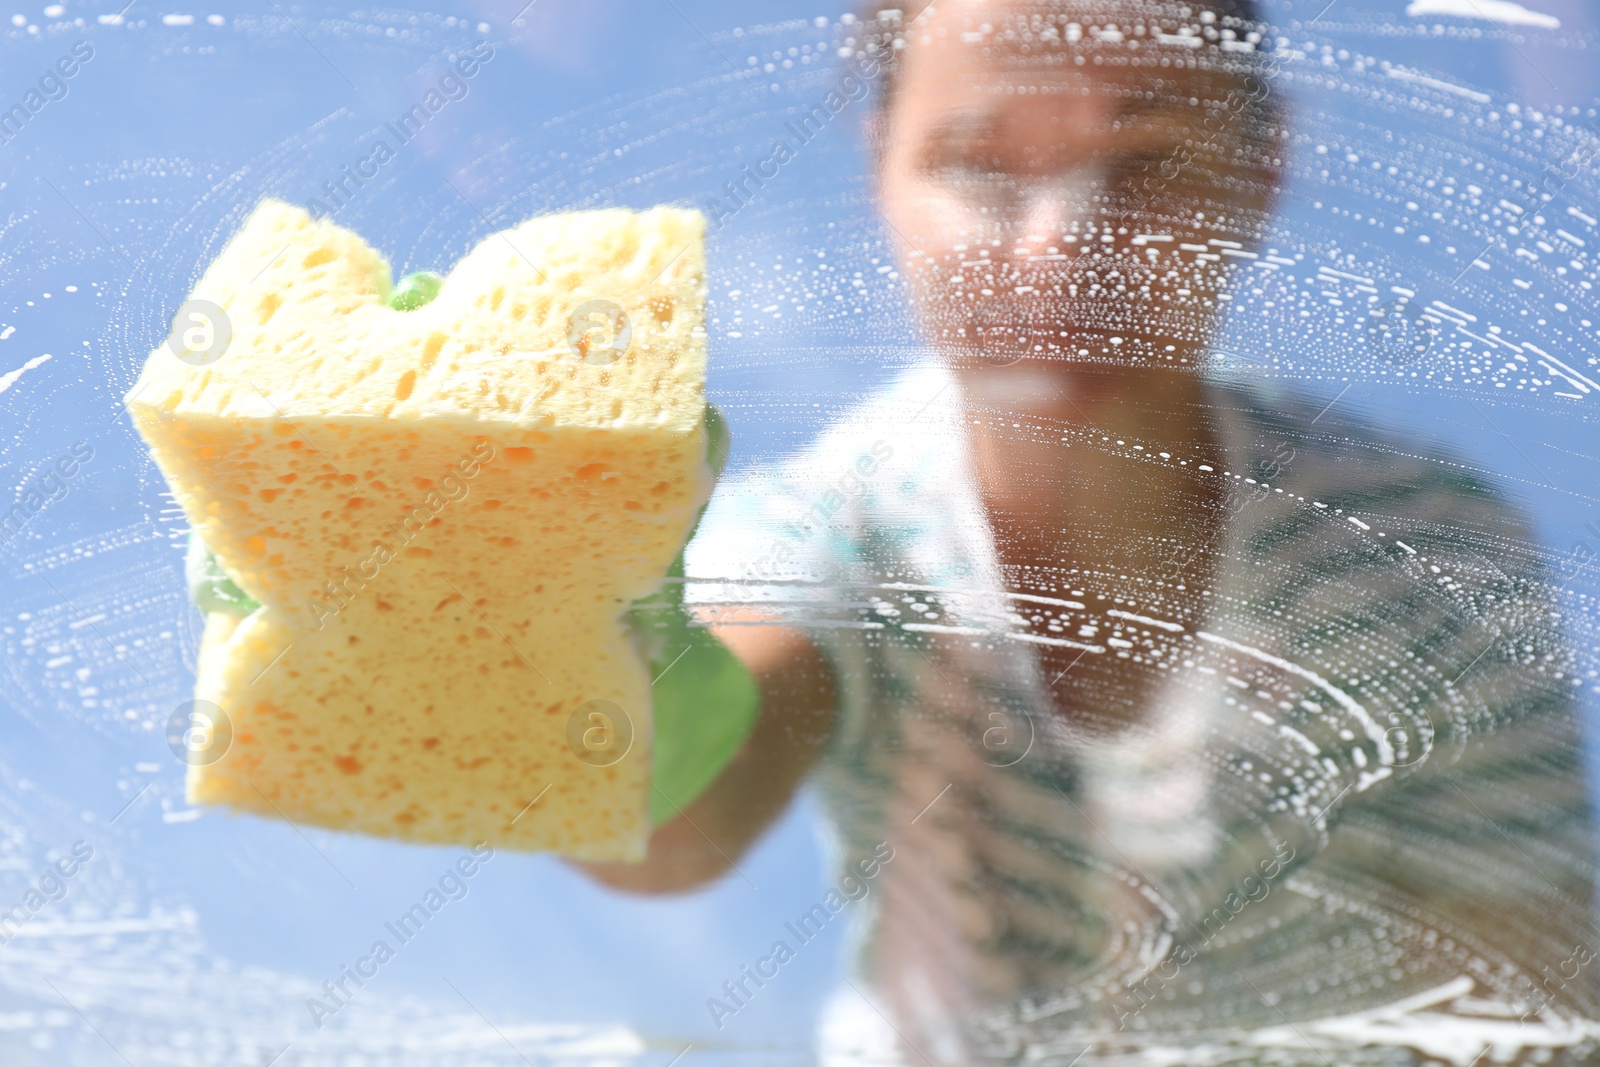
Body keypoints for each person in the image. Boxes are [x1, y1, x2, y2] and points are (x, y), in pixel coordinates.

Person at [582, 1, 1600, 1062]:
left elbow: (1522, 1010)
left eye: (1147, 159)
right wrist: (535, 615)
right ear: (881, 168)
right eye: (979, 163)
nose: (1064, 246)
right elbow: (663, 817)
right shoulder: (836, 528)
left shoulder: (1417, 550)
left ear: (1262, 168)